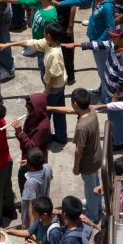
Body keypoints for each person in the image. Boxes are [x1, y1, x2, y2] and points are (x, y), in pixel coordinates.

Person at [48, 89, 103, 223]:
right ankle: (98, 207)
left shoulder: (82, 127)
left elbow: (79, 150)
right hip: (97, 158)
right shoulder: (91, 111)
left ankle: (92, 216)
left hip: (87, 163)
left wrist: (76, 167)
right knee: (96, 184)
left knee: (90, 190)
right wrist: (51, 108)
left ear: (76, 104)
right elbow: (69, 110)